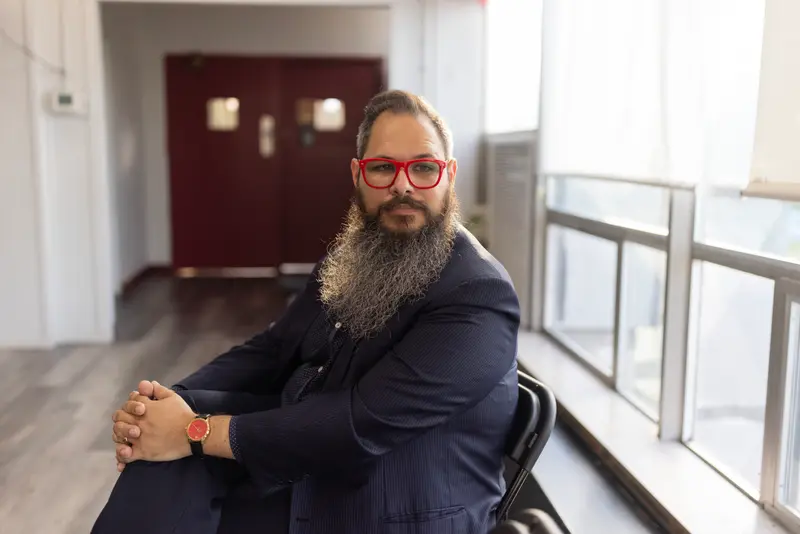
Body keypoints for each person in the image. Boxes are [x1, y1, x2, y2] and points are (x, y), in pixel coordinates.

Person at [92, 90, 520, 534]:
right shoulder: (357, 253)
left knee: (178, 460)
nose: (403, 186)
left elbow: (359, 424)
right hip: (320, 471)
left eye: (424, 167)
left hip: (394, 509)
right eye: (382, 167)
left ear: (448, 175)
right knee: (164, 459)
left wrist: (192, 431)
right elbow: (273, 349)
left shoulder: (478, 295)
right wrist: (166, 406)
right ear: (358, 175)